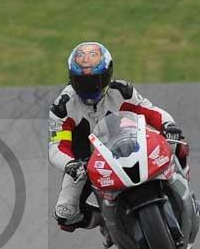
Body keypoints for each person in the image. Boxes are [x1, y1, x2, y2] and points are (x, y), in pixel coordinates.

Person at [48, 42, 187, 232]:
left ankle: (185, 191)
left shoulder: (121, 92)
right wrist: (70, 164)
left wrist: (168, 125)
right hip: (85, 164)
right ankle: (105, 221)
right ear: (72, 79)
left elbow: (152, 113)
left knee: (176, 141)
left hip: (127, 144)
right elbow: (57, 146)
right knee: (65, 214)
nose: (89, 88)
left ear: (107, 75)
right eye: (82, 81)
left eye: (95, 80)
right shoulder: (63, 107)